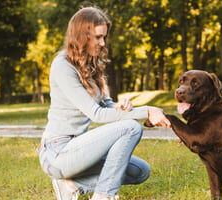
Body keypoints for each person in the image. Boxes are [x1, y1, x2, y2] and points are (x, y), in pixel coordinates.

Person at [37, 6, 171, 200]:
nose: (102, 43)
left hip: (79, 148)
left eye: (104, 37)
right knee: (132, 128)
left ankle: (71, 184)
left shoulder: (93, 65)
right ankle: (104, 195)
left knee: (140, 171)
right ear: (83, 36)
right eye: (98, 37)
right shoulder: (62, 66)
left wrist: (120, 106)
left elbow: (106, 106)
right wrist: (146, 111)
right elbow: (96, 114)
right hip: (57, 153)